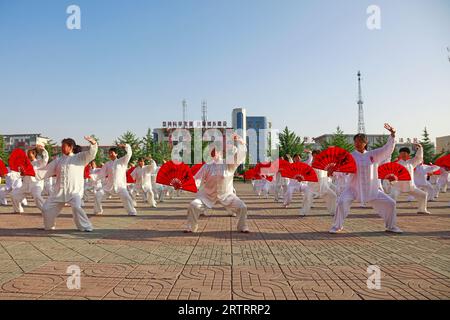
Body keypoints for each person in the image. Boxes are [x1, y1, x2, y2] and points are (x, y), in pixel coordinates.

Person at [330, 123, 402, 234]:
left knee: (391, 203)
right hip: (353, 188)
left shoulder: (374, 155)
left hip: (371, 188)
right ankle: (336, 226)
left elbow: (387, 149)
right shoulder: (350, 156)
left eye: (361, 141)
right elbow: (341, 170)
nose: (358, 143)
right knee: (341, 202)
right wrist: (332, 172)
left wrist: (392, 135)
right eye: (356, 141)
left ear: (366, 142)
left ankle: (391, 226)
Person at [185, 133, 248, 233]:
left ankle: (243, 227)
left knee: (242, 207)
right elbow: (196, 179)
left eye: (216, 150)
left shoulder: (228, 164)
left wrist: (240, 143)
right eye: (212, 151)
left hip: (227, 195)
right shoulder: (207, 166)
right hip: (207, 196)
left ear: (221, 153)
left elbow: (238, 157)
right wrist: (184, 186)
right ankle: (190, 227)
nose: (214, 153)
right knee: (193, 205)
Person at [37, 136, 98, 231]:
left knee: (77, 208)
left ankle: (86, 227)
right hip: (58, 192)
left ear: (71, 147)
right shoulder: (58, 160)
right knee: (46, 209)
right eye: (62, 146)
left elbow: (91, 154)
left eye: (64, 146)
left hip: (74, 192)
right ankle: (49, 226)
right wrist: (31, 173)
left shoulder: (80, 157)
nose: (62, 148)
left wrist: (93, 143)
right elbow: (45, 171)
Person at [94, 144, 137, 216]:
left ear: (116, 154)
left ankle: (132, 211)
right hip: (109, 187)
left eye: (112, 152)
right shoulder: (107, 164)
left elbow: (129, 154)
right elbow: (101, 174)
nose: (110, 154)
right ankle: (98, 210)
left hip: (120, 186)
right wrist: (94, 178)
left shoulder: (122, 161)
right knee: (98, 195)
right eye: (109, 153)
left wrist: (126, 146)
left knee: (127, 197)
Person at [389, 145, 430, 214]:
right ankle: (390, 211)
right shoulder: (396, 164)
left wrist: (420, 148)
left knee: (423, 195)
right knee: (392, 195)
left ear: (408, 154)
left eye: (405, 153)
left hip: (410, 186)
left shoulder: (411, 163)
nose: (403, 155)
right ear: (399, 155)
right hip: (398, 186)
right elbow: (391, 175)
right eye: (401, 153)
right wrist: (391, 181)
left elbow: (418, 158)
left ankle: (422, 210)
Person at [11, 144, 49, 213]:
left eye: (29, 153)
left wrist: (43, 150)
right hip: (26, 185)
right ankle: (18, 210)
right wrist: (21, 174)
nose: (27, 155)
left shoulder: (39, 162)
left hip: (36, 185)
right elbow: (20, 174)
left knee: (37, 196)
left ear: (34, 154)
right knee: (14, 195)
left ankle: (47, 210)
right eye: (27, 153)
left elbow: (45, 159)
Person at [301, 150, 337, 216]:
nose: (315, 157)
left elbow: (329, 171)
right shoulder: (310, 164)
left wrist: (330, 172)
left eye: (317, 155)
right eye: (314, 156)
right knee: (307, 197)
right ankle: (303, 212)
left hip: (323, 186)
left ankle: (333, 212)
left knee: (333, 196)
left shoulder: (324, 164)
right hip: (312, 187)